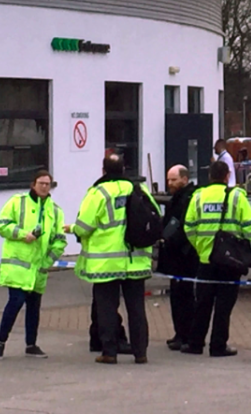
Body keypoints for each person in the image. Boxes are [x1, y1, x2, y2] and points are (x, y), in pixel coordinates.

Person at [66, 154, 160, 364]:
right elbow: (154, 217)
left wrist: (71, 229)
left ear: (103, 170)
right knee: (136, 308)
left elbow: (84, 226)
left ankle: (109, 352)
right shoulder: (139, 189)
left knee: (107, 308)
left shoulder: (98, 193)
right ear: (124, 169)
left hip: (106, 263)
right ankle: (140, 352)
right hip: (136, 260)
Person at [181, 160, 251, 357]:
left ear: (210, 177)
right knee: (224, 307)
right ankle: (218, 346)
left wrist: (201, 248)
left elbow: (188, 227)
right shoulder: (237, 197)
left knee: (202, 304)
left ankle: (195, 344)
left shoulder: (198, 196)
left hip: (206, 261)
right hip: (229, 263)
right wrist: (248, 255)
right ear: (227, 177)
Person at [0, 170, 67, 359]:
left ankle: (31, 345)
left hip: (39, 268)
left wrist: (48, 260)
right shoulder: (18, 202)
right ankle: (0, 342)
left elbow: (59, 240)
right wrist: (22, 234)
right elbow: (2, 225)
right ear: (33, 184)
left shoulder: (55, 211)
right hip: (18, 266)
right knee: (15, 302)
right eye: (41, 183)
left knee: (34, 307)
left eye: (47, 184)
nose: (44, 187)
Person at [157, 165, 199, 351]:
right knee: (176, 296)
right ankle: (179, 334)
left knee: (185, 297)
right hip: (175, 255)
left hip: (185, 255)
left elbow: (185, 226)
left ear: (184, 179)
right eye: (168, 180)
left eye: (173, 180)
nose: (170, 183)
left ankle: (187, 334)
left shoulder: (189, 198)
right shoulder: (178, 198)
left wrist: (172, 241)